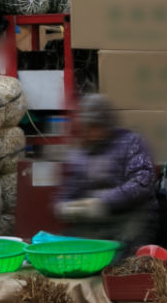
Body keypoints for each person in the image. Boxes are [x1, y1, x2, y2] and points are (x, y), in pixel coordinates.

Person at [53, 94, 160, 250]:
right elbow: (69, 190)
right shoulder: (80, 153)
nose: (90, 132)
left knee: (128, 249)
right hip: (96, 222)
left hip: (130, 217)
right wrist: (66, 207)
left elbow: (142, 183)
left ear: (107, 124)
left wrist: (103, 202)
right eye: (87, 127)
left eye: (95, 126)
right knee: (70, 245)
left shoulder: (131, 142)